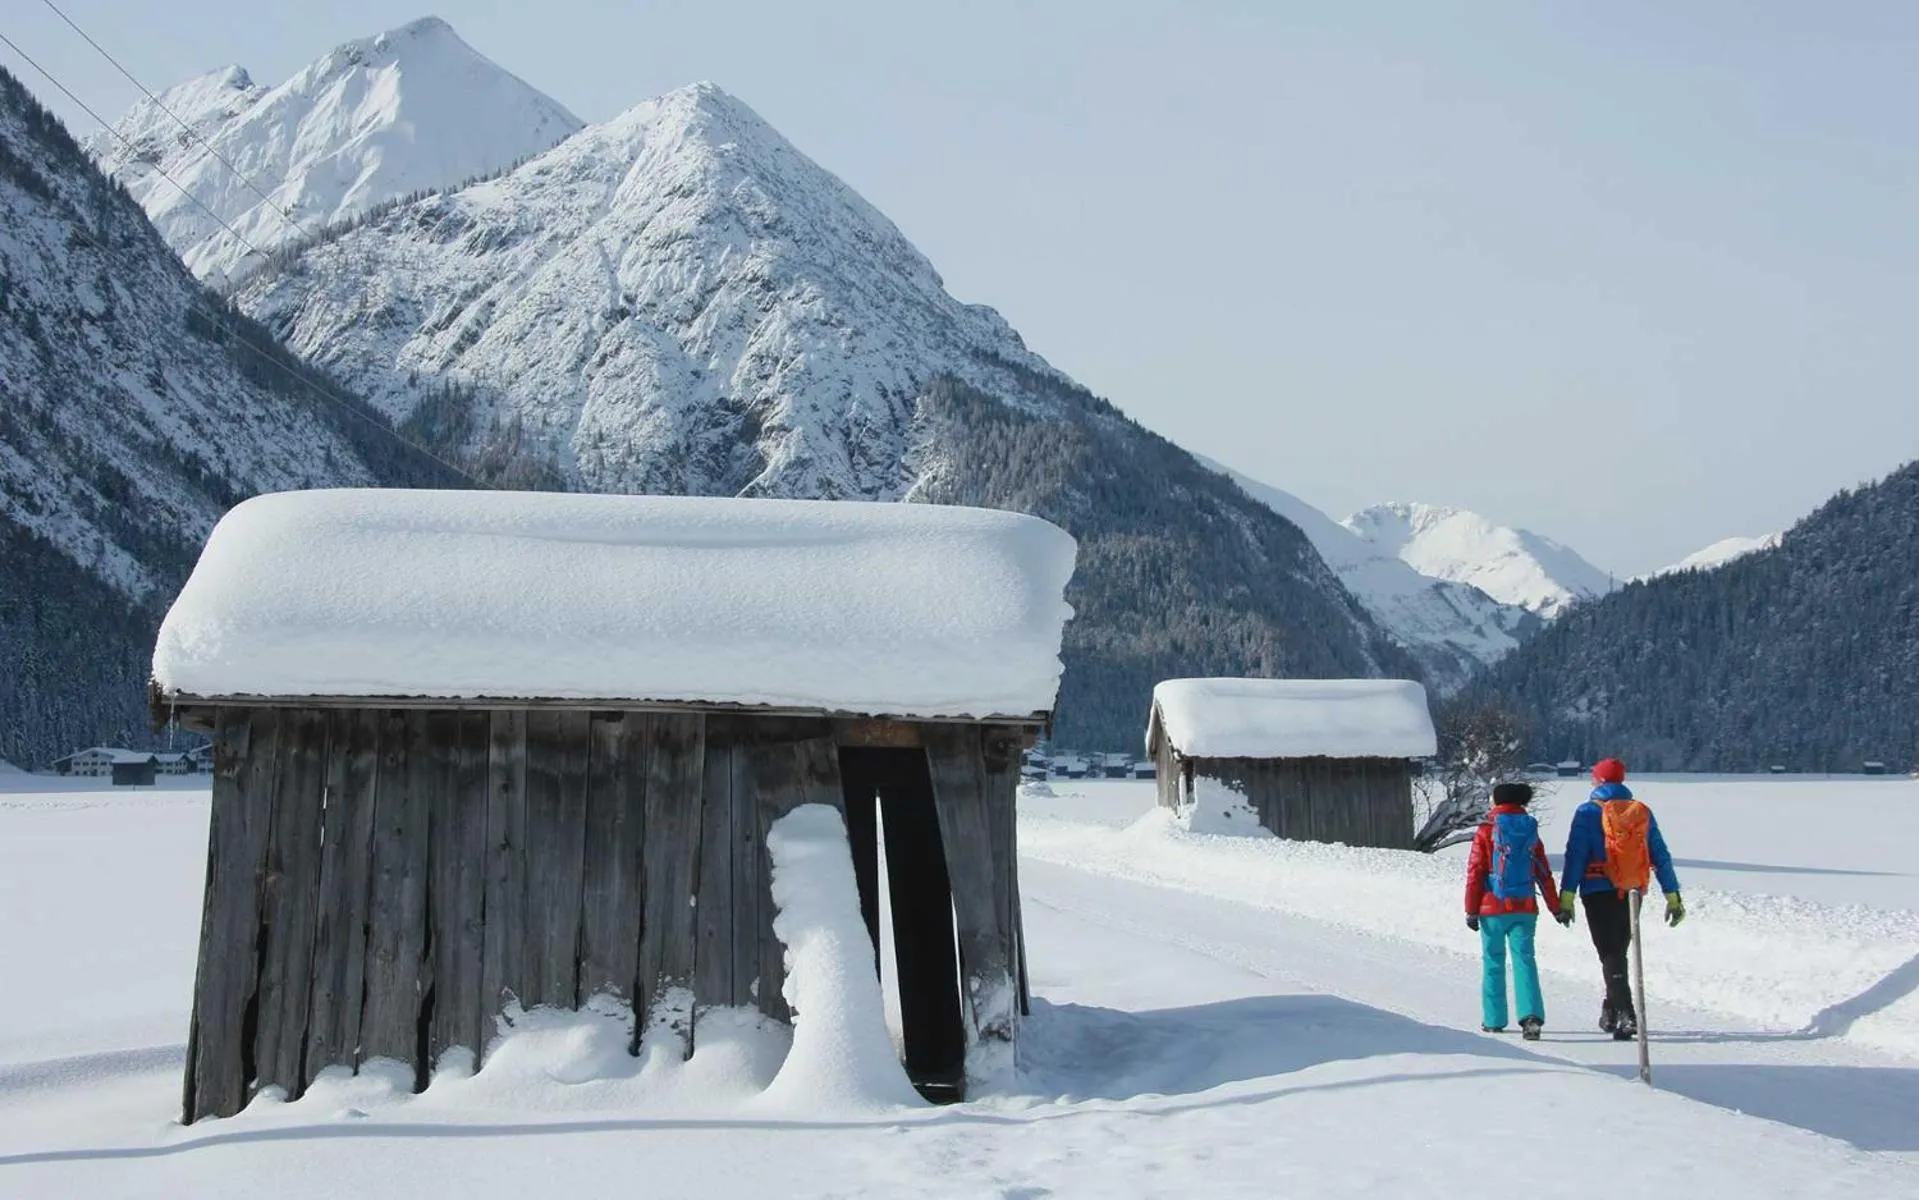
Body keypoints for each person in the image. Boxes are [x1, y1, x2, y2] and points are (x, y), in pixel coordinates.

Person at [1557, 758, 1685, 1041]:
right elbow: (1660, 855)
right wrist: (1672, 895)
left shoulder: (1587, 811)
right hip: (1632, 890)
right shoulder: (1641, 812)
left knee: (1609, 953)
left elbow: (1575, 856)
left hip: (1596, 889)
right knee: (1618, 951)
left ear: (1599, 781)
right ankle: (1611, 1011)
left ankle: (1627, 1014)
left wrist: (1566, 896)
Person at [1464, 781, 1566, 1040]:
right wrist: (1555, 907)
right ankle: (1531, 1017)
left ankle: (1494, 1019)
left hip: (1492, 907)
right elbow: (1543, 871)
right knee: (1524, 960)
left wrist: (1471, 909)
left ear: (1496, 802)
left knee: (1493, 962)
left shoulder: (1486, 830)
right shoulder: (1530, 829)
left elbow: (1475, 872)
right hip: (1525, 906)